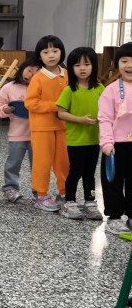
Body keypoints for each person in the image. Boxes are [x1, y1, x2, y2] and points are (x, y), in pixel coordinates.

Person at [57, 46, 105, 220]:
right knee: (75, 171)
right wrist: (80, 120)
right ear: (71, 68)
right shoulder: (70, 90)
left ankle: (90, 201)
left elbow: (107, 110)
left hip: (94, 140)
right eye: (77, 65)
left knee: (90, 174)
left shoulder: (100, 88)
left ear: (94, 66)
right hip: (75, 141)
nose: (82, 68)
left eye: (87, 64)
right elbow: (61, 113)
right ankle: (69, 201)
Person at [25, 35, 69, 212]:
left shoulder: (67, 75)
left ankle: (65, 192)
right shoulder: (38, 78)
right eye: (46, 52)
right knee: (42, 162)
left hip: (64, 126)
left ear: (61, 53)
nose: (51, 55)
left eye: (55, 51)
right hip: (42, 127)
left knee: (64, 162)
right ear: (39, 56)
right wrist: (56, 106)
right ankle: (41, 194)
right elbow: (30, 103)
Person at [0, 58, 39, 203]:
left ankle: (39, 190)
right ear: (23, 68)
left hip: (38, 134)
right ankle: (10, 188)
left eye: (36, 74)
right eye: (29, 70)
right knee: (13, 163)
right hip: (17, 134)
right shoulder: (8, 88)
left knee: (38, 165)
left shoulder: (41, 88)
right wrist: (5, 110)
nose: (30, 75)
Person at [100, 42, 132, 234]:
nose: (129, 65)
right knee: (113, 182)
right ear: (117, 64)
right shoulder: (111, 90)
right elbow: (104, 119)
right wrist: (106, 142)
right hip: (115, 145)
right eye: (124, 61)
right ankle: (114, 216)